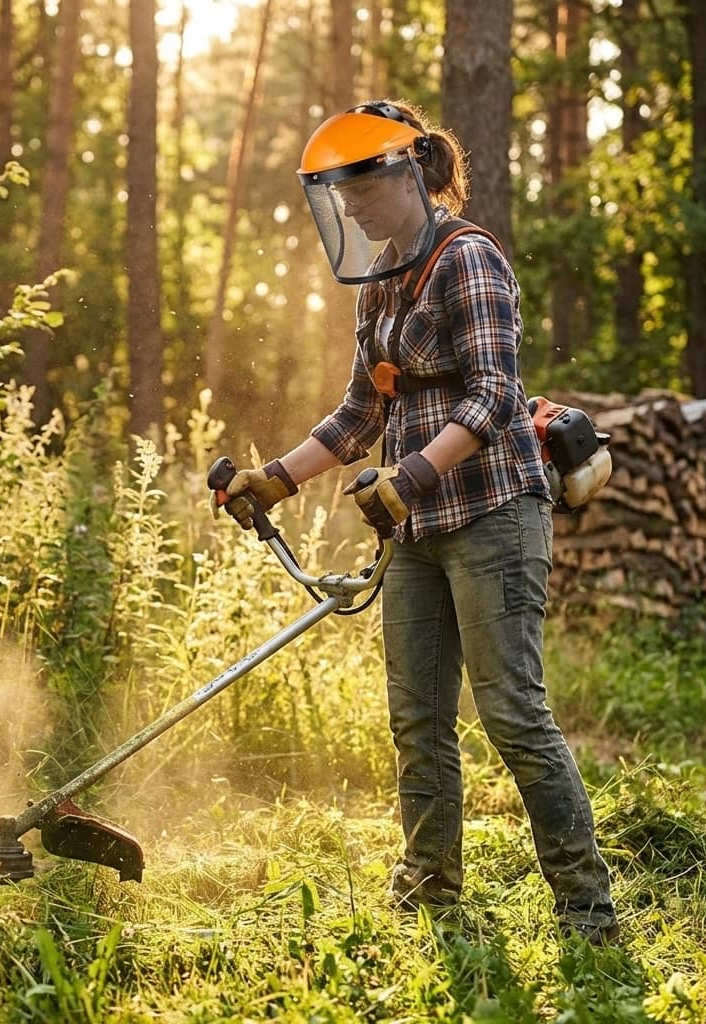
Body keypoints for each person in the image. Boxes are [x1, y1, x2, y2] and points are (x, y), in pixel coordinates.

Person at [213, 100, 619, 945]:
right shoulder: (384, 279)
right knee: (418, 715)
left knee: (511, 712)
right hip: (416, 531)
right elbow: (361, 407)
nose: (352, 209)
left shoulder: (467, 259)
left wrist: (412, 475)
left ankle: (587, 908)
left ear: (406, 174)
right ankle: (430, 884)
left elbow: (495, 395)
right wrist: (274, 480)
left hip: (493, 514)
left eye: (360, 190)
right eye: (340, 199)